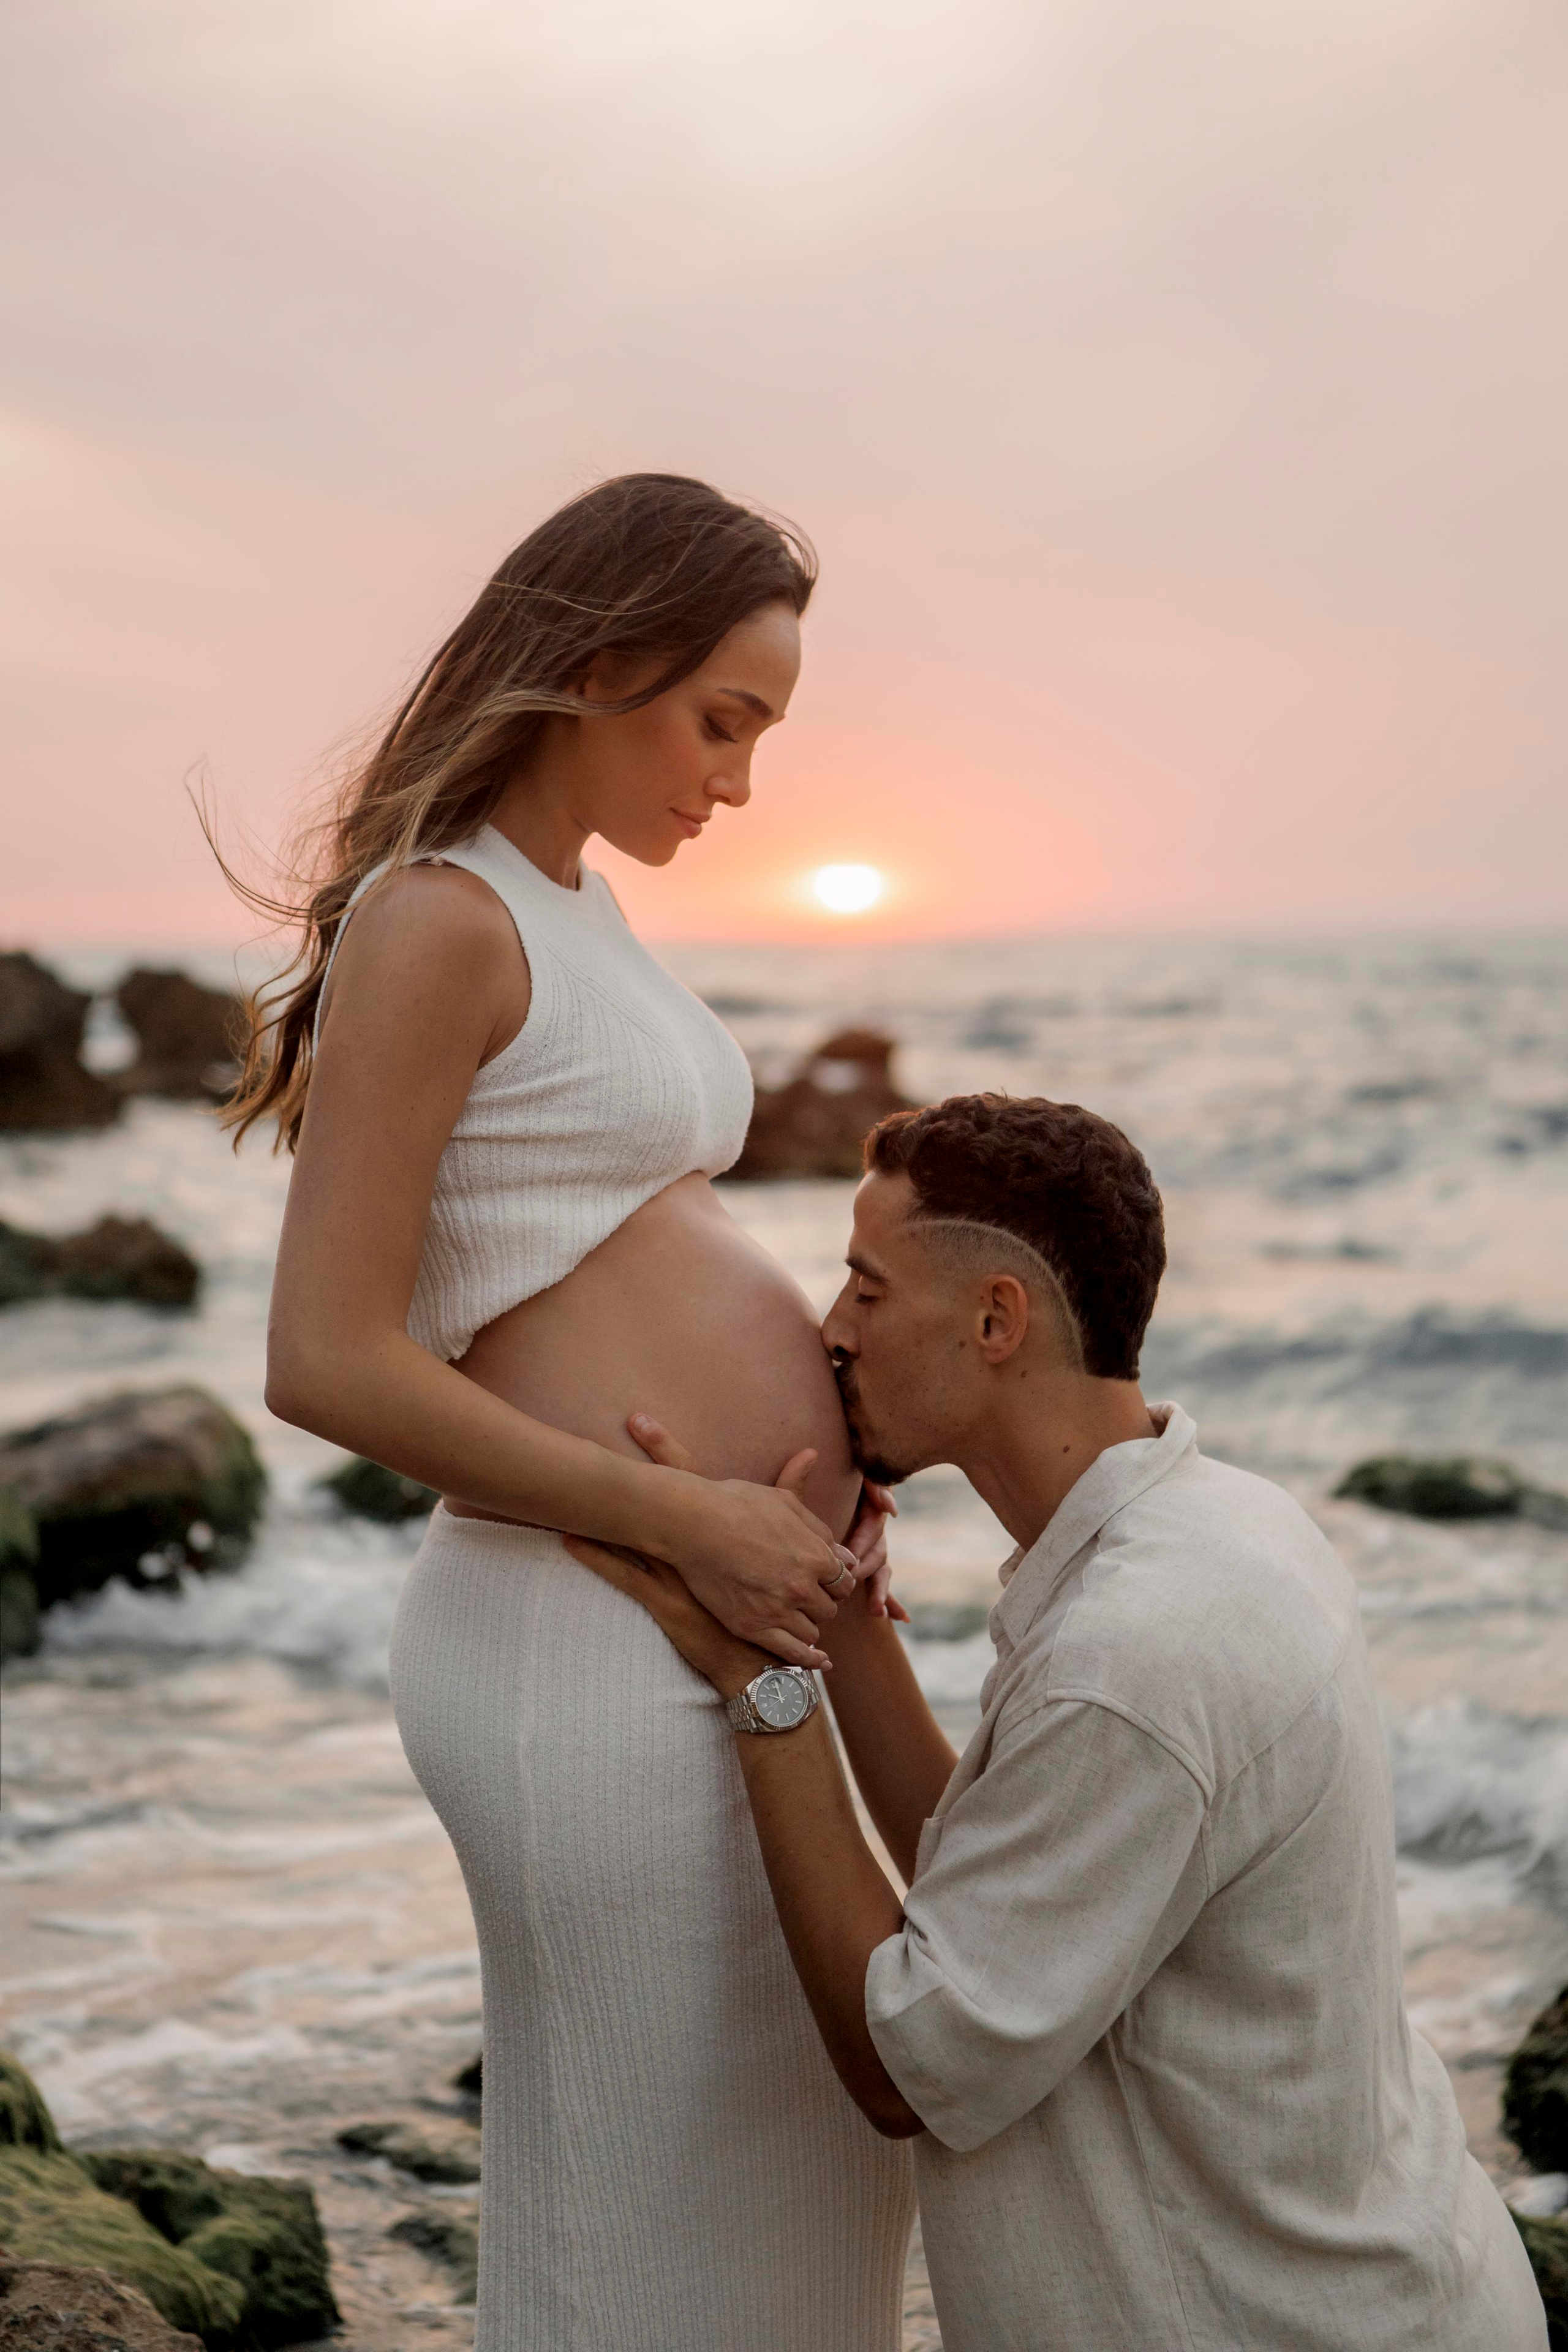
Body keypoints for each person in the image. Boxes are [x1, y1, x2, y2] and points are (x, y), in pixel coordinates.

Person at [240, 475, 915, 2350]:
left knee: (781, 2175)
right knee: (644, 2210)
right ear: (601, 661)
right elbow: (328, 1359)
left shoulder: (575, 907)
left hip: (702, 1616)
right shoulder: (442, 918)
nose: (743, 784)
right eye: (724, 722)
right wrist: (691, 1517)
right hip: (585, 1632)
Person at [570, 1091, 1548, 2352]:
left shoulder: (1134, 1652)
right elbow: (996, 1882)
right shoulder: (1218, 1526)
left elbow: (901, 2065)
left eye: (866, 1290)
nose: (830, 1330)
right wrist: (842, 1613)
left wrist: (760, 1684)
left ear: (993, 1319)